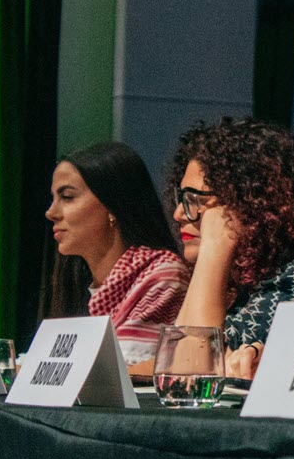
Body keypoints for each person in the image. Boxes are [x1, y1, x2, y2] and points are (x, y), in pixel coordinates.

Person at [170, 117, 294, 379]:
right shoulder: (241, 283)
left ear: (246, 204)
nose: (178, 214)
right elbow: (172, 367)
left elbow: (191, 373)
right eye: (181, 198)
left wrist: (216, 244)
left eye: (194, 199)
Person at [45, 142, 189, 373]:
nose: (51, 212)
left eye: (68, 197)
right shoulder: (80, 283)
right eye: (53, 198)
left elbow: (116, 367)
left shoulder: (163, 273)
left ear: (112, 205)